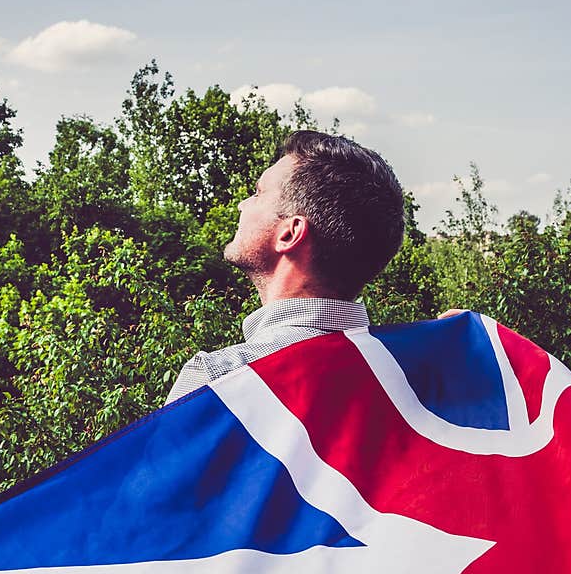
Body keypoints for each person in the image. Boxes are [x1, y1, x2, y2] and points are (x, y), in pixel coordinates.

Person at [164, 129, 407, 405]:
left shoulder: (218, 381)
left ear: (289, 234)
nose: (242, 205)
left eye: (258, 193)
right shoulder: (415, 375)